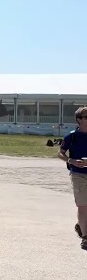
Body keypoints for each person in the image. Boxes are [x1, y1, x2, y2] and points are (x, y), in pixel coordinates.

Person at [58, 106, 87, 251]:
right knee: (83, 205)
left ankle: (80, 225)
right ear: (78, 120)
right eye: (86, 117)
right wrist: (71, 161)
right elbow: (61, 153)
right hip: (78, 174)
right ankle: (86, 238)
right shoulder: (71, 137)